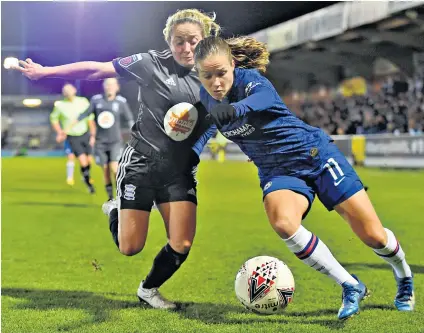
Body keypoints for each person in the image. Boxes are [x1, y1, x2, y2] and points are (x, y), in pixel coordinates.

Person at [11, 9, 222, 309]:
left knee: (182, 243)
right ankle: (114, 210)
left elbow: (219, 117)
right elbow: (96, 70)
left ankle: (148, 290)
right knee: (130, 247)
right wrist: (45, 72)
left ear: (203, 40)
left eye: (192, 41)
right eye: (178, 42)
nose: (186, 48)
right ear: (168, 41)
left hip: (179, 171)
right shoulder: (150, 63)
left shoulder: (212, 76)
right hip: (141, 164)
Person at [194, 36, 415, 320]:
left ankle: (404, 276)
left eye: (221, 73)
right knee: (284, 223)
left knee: (373, 235)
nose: (215, 82)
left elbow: (263, 100)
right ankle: (350, 284)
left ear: (233, 65)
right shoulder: (205, 99)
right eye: (207, 76)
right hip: (278, 170)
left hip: (315, 156)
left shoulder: (250, 81)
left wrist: (237, 108)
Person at [74, 78, 134, 200]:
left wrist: (135, 132)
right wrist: (74, 122)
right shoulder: (96, 100)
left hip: (115, 142)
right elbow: (86, 113)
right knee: (105, 171)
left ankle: (121, 196)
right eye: (107, 85)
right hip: (100, 142)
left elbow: (129, 119)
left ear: (117, 87)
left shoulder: (121, 102)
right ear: (104, 87)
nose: (109, 87)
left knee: (115, 168)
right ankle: (110, 198)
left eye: (112, 85)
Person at [50, 83, 96, 193]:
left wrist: (93, 135)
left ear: (74, 90)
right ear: (63, 93)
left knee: (89, 160)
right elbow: (54, 119)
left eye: (69, 90)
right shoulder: (60, 105)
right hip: (72, 136)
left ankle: (85, 175)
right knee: (82, 160)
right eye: (65, 90)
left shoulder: (83, 101)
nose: (67, 92)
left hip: (85, 134)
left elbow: (90, 119)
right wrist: (60, 132)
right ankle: (88, 184)